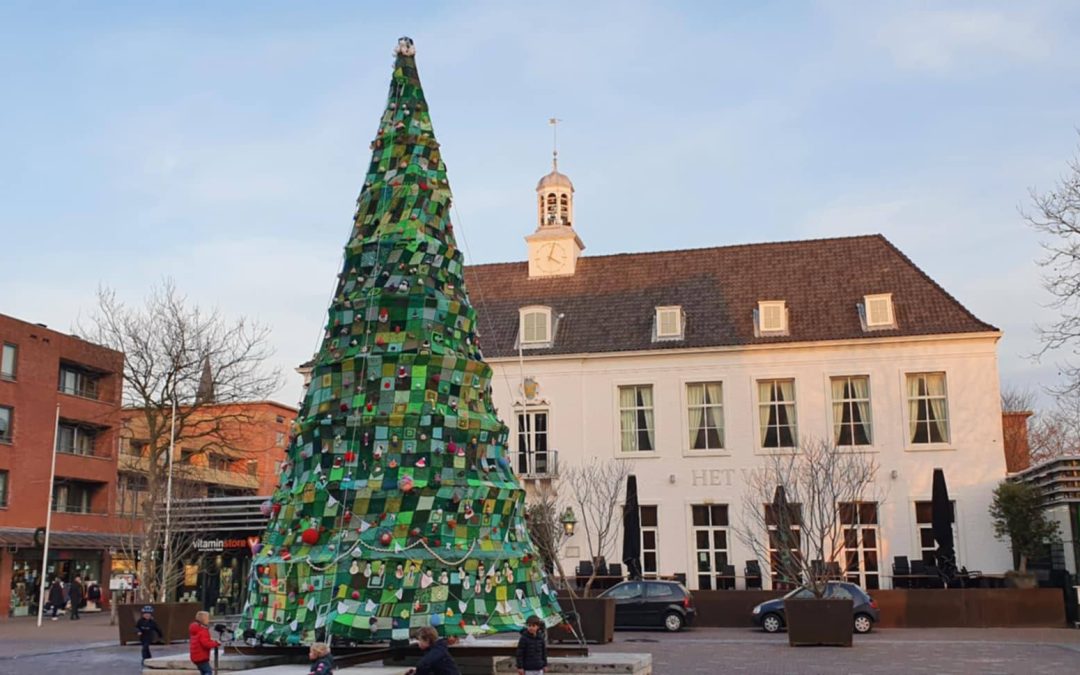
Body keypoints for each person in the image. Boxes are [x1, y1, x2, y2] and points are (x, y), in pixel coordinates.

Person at [189, 610, 220, 675]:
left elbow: (202, 640)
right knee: (208, 671)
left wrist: (211, 641)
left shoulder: (196, 629)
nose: (209, 620)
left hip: (195, 656)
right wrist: (216, 643)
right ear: (204, 620)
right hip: (202, 657)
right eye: (208, 619)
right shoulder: (203, 631)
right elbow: (206, 644)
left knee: (203, 671)